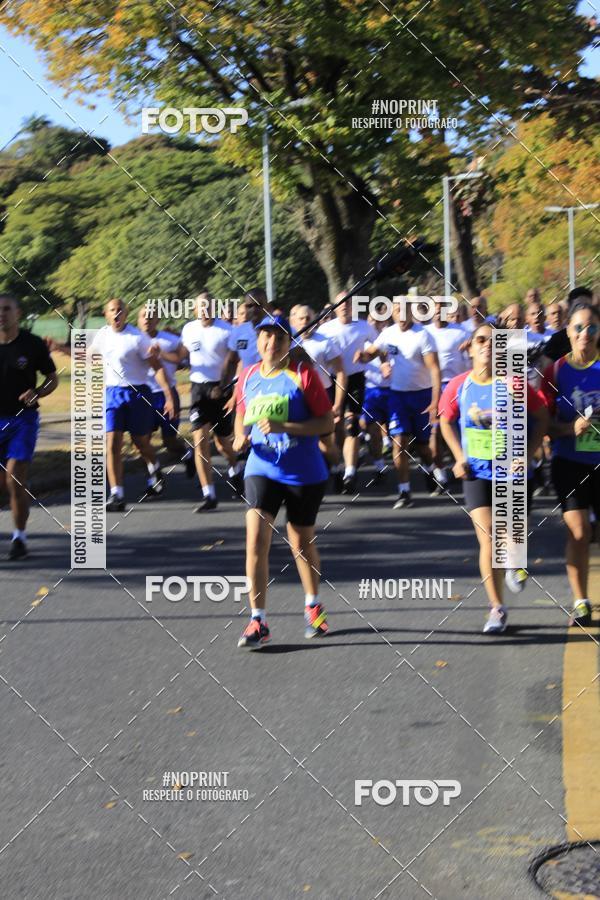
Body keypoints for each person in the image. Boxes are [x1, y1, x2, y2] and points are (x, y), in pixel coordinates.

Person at [233, 315, 334, 648]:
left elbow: (325, 423)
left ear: (288, 343)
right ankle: (257, 620)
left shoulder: (303, 375)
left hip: (303, 471)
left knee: (300, 542)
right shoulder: (247, 375)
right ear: (258, 341)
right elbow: (240, 413)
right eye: (265, 336)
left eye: (278, 337)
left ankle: (312, 605)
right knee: (255, 540)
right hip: (261, 467)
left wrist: (285, 428)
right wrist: (238, 437)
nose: (270, 343)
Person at [439, 322, 548, 634]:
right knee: (488, 536)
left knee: (511, 535)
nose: (487, 345)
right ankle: (497, 609)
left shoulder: (515, 385)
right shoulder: (458, 385)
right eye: (481, 340)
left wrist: (527, 455)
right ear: (470, 348)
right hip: (476, 473)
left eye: (494, 341)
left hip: (513, 473)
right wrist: (459, 457)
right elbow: (445, 422)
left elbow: (541, 417)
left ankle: (515, 560)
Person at [541, 303, 600, 626]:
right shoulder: (556, 372)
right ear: (568, 332)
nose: (585, 334)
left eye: (592, 328)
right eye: (578, 328)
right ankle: (581, 601)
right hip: (569, 461)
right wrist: (569, 428)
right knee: (579, 532)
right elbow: (542, 424)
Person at [90, 299, 175, 512]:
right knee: (112, 443)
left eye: (120, 311)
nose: (117, 314)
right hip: (112, 394)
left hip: (137, 393)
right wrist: (60, 348)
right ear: (106, 314)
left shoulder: (138, 338)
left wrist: (168, 395)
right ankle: (117, 494)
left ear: (126, 314)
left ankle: (155, 467)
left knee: (140, 442)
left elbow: (157, 367)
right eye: (112, 311)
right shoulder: (103, 334)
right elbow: (88, 356)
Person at [160, 293, 243, 511]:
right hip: (198, 390)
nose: (205, 310)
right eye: (201, 307)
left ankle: (235, 467)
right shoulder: (189, 329)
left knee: (224, 443)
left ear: (214, 308)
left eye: (208, 306)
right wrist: (159, 353)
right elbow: (180, 357)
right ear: (195, 310)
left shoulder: (227, 330)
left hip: (221, 388)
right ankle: (209, 494)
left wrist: (225, 386)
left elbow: (234, 361)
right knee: (200, 441)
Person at [356, 300, 442, 508]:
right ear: (392, 314)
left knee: (423, 446)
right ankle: (404, 492)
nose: (401, 316)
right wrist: (363, 357)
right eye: (397, 312)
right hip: (397, 396)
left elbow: (435, 370)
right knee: (400, 442)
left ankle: (431, 470)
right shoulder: (388, 333)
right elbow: (373, 353)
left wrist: (435, 402)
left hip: (421, 395)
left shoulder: (423, 335)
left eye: (405, 312)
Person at [0, 294, 58, 559]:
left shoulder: (32, 344)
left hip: (23, 419)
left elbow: (52, 378)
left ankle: (19, 539)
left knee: (15, 476)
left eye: (6, 309)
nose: (2, 314)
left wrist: (37, 392)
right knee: (6, 484)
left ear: (18, 313)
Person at [318, 294, 377, 493]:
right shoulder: (325, 329)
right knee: (334, 426)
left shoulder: (364, 327)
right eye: (340, 304)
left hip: (355, 380)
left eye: (348, 303)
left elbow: (379, 349)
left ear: (353, 306)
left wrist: (367, 355)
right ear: (334, 307)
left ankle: (350, 473)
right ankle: (336, 465)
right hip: (331, 381)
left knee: (352, 426)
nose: (344, 307)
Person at [289, 304, 344, 473]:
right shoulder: (288, 343)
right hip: (297, 396)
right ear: (294, 321)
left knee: (325, 441)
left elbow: (341, 372)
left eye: (308, 318)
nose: (305, 321)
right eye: (301, 318)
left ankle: (338, 467)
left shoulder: (325, 342)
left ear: (315, 320)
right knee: (296, 438)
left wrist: (338, 403)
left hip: (322, 395)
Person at [425, 300, 469, 492]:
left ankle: (462, 465)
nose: (437, 312)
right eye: (434, 309)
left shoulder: (460, 332)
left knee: (459, 430)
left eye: (441, 308)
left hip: (458, 386)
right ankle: (440, 476)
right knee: (435, 432)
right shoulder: (423, 332)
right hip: (434, 388)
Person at [137, 307, 189, 466]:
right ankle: (154, 473)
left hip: (167, 394)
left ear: (157, 320)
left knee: (169, 442)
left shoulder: (170, 340)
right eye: (143, 316)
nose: (147, 319)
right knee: (141, 439)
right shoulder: (134, 339)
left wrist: (162, 354)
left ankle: (188, 455)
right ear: (138, 320)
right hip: (143, 394)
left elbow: (182, 359)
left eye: (151, 316)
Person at [359, 309, 392, 482]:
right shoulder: (365, 344)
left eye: (377, 321)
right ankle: (380, 467)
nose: (372, 324)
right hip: (372, 390)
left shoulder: (392, 338)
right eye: (370, 320)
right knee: (372, 430)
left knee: (400, 432)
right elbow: (362, 359)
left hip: (395, 390)